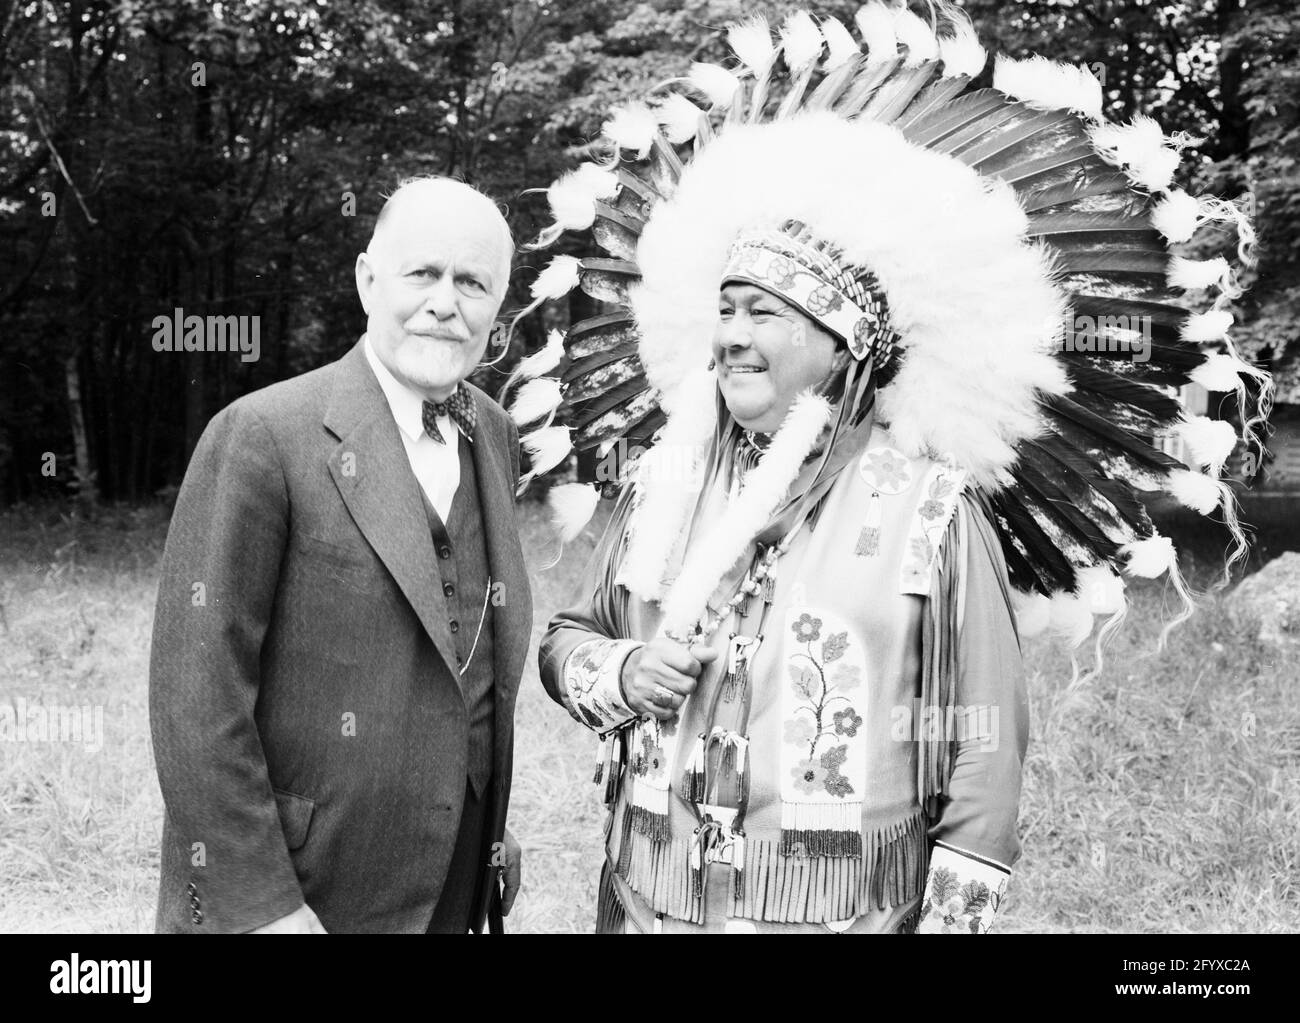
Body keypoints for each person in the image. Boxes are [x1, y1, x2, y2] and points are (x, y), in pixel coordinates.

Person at [528, 2, 1264, 933]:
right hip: (646, 900)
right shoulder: (666, 488)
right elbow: (565, 640)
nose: (732, 338)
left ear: (839, 349)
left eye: (765, 313)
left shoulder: (929, 514)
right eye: (725, 309)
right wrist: (625, 670)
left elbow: (983, 744)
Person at [149, 176, 530, 933]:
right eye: (423, 273)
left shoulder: (494, 432)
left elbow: (465, 661)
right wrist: (263, 905)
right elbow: (197, 696)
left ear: (499, 308)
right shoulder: (262, 434)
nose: (445, 302)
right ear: (366, 279)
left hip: (451, 880)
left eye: (473, 282)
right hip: (302, 892)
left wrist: (483, 833)